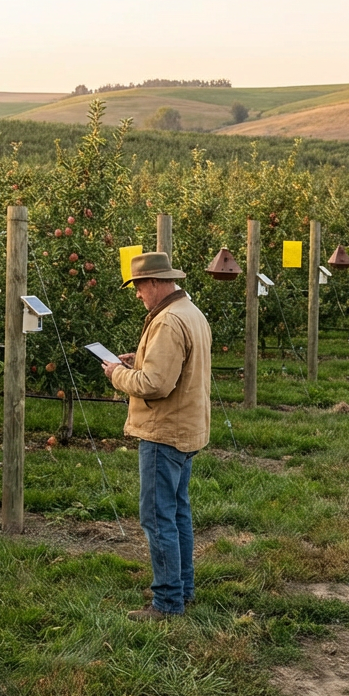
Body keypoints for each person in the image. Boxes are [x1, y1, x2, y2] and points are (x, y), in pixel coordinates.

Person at [101, 252, 211, 621]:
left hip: (164, 431)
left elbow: (155, 385)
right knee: (177, 513)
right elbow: (175, 367)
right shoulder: (190, 312)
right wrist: (142, 359)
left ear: (154, 282)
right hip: (187, 428)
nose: (137, 294)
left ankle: (166, 603)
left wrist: (117, 374)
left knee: (157, 517)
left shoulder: (167, 321)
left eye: (138, 286)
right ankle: (183, 589)